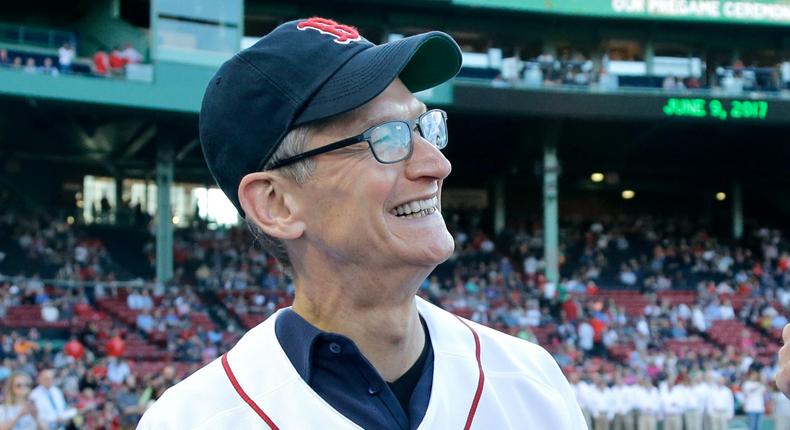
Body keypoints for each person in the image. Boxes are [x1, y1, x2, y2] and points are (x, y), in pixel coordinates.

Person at [138, 16, 586, 429]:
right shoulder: (193, 419)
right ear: (276, 204)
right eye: (386, 137)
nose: (437, 164)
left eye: (423, 128)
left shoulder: (532, 381)